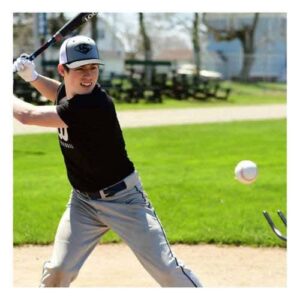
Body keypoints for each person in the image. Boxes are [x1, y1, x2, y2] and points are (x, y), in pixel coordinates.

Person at [13, 35, 202, 288]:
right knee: (58, 270)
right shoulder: (72, 94)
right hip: (82, 203)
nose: (88, 75)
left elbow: (27, 115)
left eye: (93, 67)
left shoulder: (94, 103)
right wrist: (32, 77)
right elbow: (58, 92)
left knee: (167, 271)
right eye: (80, 68)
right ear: (63, 70)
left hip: (124, 201)